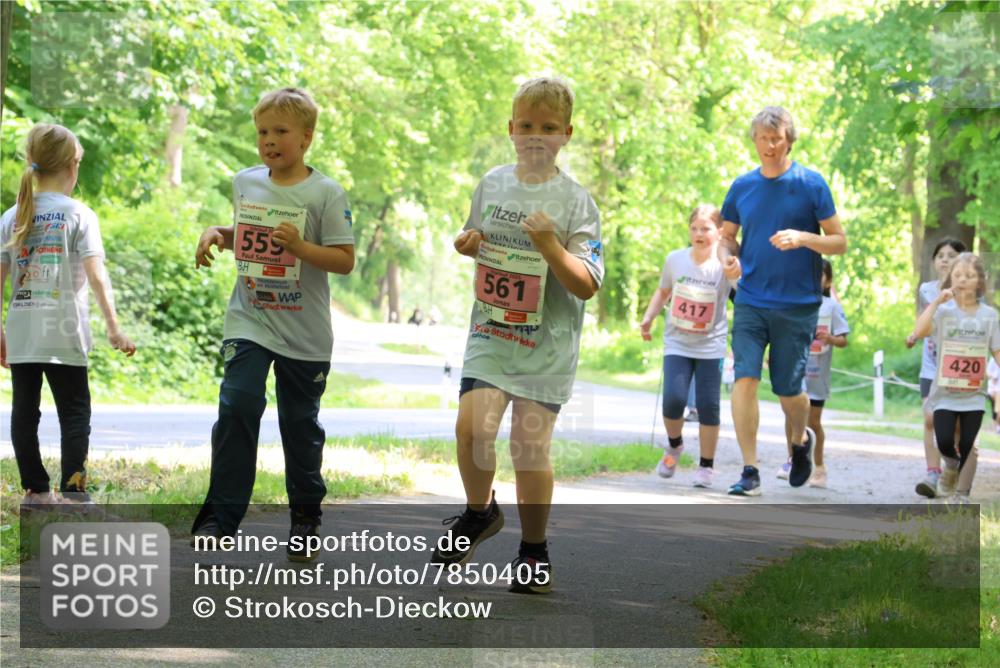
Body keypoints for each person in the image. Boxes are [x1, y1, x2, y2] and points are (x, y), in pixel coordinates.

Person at [430, 77, 603, 595]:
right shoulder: (492, 184)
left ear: (566, 134)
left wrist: (551, 247)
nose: (535, 136)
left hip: (546, 345)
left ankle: (533, 550)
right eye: (526, 125)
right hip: (491, 332)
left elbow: (587, 284)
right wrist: (470, 243)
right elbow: (478, 240)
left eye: (548, 128)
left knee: (528, 449)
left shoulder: (578, 202)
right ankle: (479, 512)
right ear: (510, 128)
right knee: (470, 429)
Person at [190, 88, 356, 560]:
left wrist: (300, 248)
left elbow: (344, 260)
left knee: (299, 425)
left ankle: (305, 518)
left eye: (281, 131)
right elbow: (247, 235)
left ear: (306, 138)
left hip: (304, 332)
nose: (269, 140)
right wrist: (217, 234)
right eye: (263, 131)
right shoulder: (245, 182)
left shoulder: (325, 193)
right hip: (251, 318)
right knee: (237, 404)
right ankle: (220, 519)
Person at [0, 123, 136, 507]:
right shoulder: (79, 214)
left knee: (24, 411)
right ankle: (75, 494)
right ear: (72, 165)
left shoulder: (11, 216)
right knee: (74, 412)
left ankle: (36, 491)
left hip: (23, 331)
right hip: (65, 331)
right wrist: (114, 327)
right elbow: (97, 276)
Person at [718, 106, 848, 496]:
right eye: (763, 138)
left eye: (777, 138)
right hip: (751, 299)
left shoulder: (811, 184)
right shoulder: (743, 186)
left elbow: (839, 241)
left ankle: (800, 438)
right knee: (745, 378)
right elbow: (727, 237)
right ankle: (750, 470)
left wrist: (804, 238)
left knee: (788, 390)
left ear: (789, 140)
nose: (770, 145)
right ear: (754, 140)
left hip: (797, 303)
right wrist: (728, 258)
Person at [639, 205, 741, 489]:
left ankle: (706, 466)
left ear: (719, 232)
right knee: (673, 400)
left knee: (708, 406)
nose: (699, 234)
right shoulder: (675, 259)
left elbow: (743, 292)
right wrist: (648, 318)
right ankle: (675, 446)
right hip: (678, 342)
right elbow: (663, 292)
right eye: (694, 228)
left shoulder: (724, 264)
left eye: (706, 229)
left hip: (711, 345)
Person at [912, 252, 999, 502]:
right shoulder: (944, 312)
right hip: (945, 393)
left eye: (969, 275)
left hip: (973, 395)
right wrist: (936, 302)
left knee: (970, 444)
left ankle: (962, 495)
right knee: (945, 441)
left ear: (980, 280)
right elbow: (919, 331)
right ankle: (950, 464)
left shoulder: (989, 316)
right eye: (958, 275)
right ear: (951, 278)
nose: (962, 280)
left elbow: (997, 352)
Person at [905, 238, 966, 498]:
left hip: (957, 367)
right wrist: (914, 334)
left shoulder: (969, 290)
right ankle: (932, 474)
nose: (945, 260)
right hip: (931, 366)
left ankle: (953, 466)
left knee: (955, 426)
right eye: (940, 255)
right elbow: (923, 319)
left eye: (951, 255)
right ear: (933, 261)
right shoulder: (927, 290)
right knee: (930, 418)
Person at [796, 259, 848, 488]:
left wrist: (830, 339)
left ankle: (819, 467)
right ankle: (795, 462)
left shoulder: (832, 307)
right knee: (794, 418)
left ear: (827, 281)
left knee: (813, 422)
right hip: (797, 370)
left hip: (818, 374)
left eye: (820, 275)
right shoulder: (795, 303)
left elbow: (844, 340)